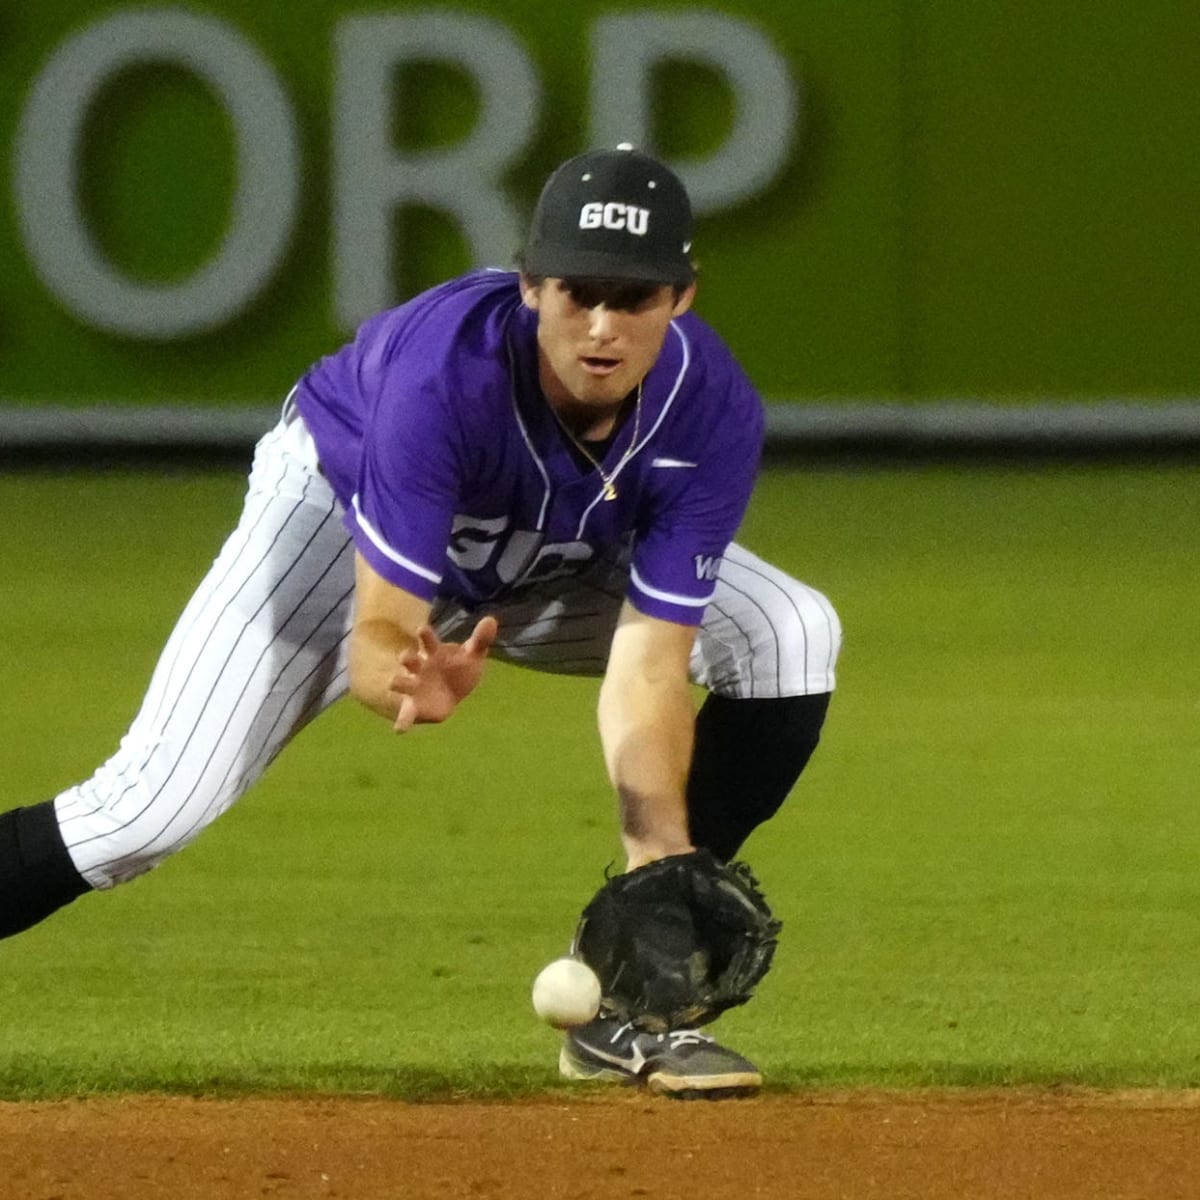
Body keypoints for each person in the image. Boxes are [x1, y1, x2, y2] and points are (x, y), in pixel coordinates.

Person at [0, 145, 840, 1098]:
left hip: (549, 557)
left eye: (635, 298)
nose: (602, 327)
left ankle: (630, 999)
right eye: (578, 293)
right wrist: (401, 673)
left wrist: (659, 865)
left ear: (682, 299)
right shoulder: (444, 375)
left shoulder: (711, 410)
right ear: (530, 286)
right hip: (334, 524)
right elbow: (378, 633)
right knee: (145, 812)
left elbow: (648, 671)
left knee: (790, 631)